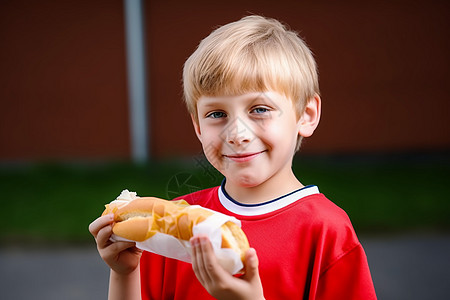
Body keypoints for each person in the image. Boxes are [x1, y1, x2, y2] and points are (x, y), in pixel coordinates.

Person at [89, 15, 377, 300]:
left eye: (260, 109)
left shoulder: (327, 232)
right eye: (217, 114)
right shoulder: (173, 225)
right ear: (198, 126)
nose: (237, 134)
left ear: (306, 115)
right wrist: (125, 274)